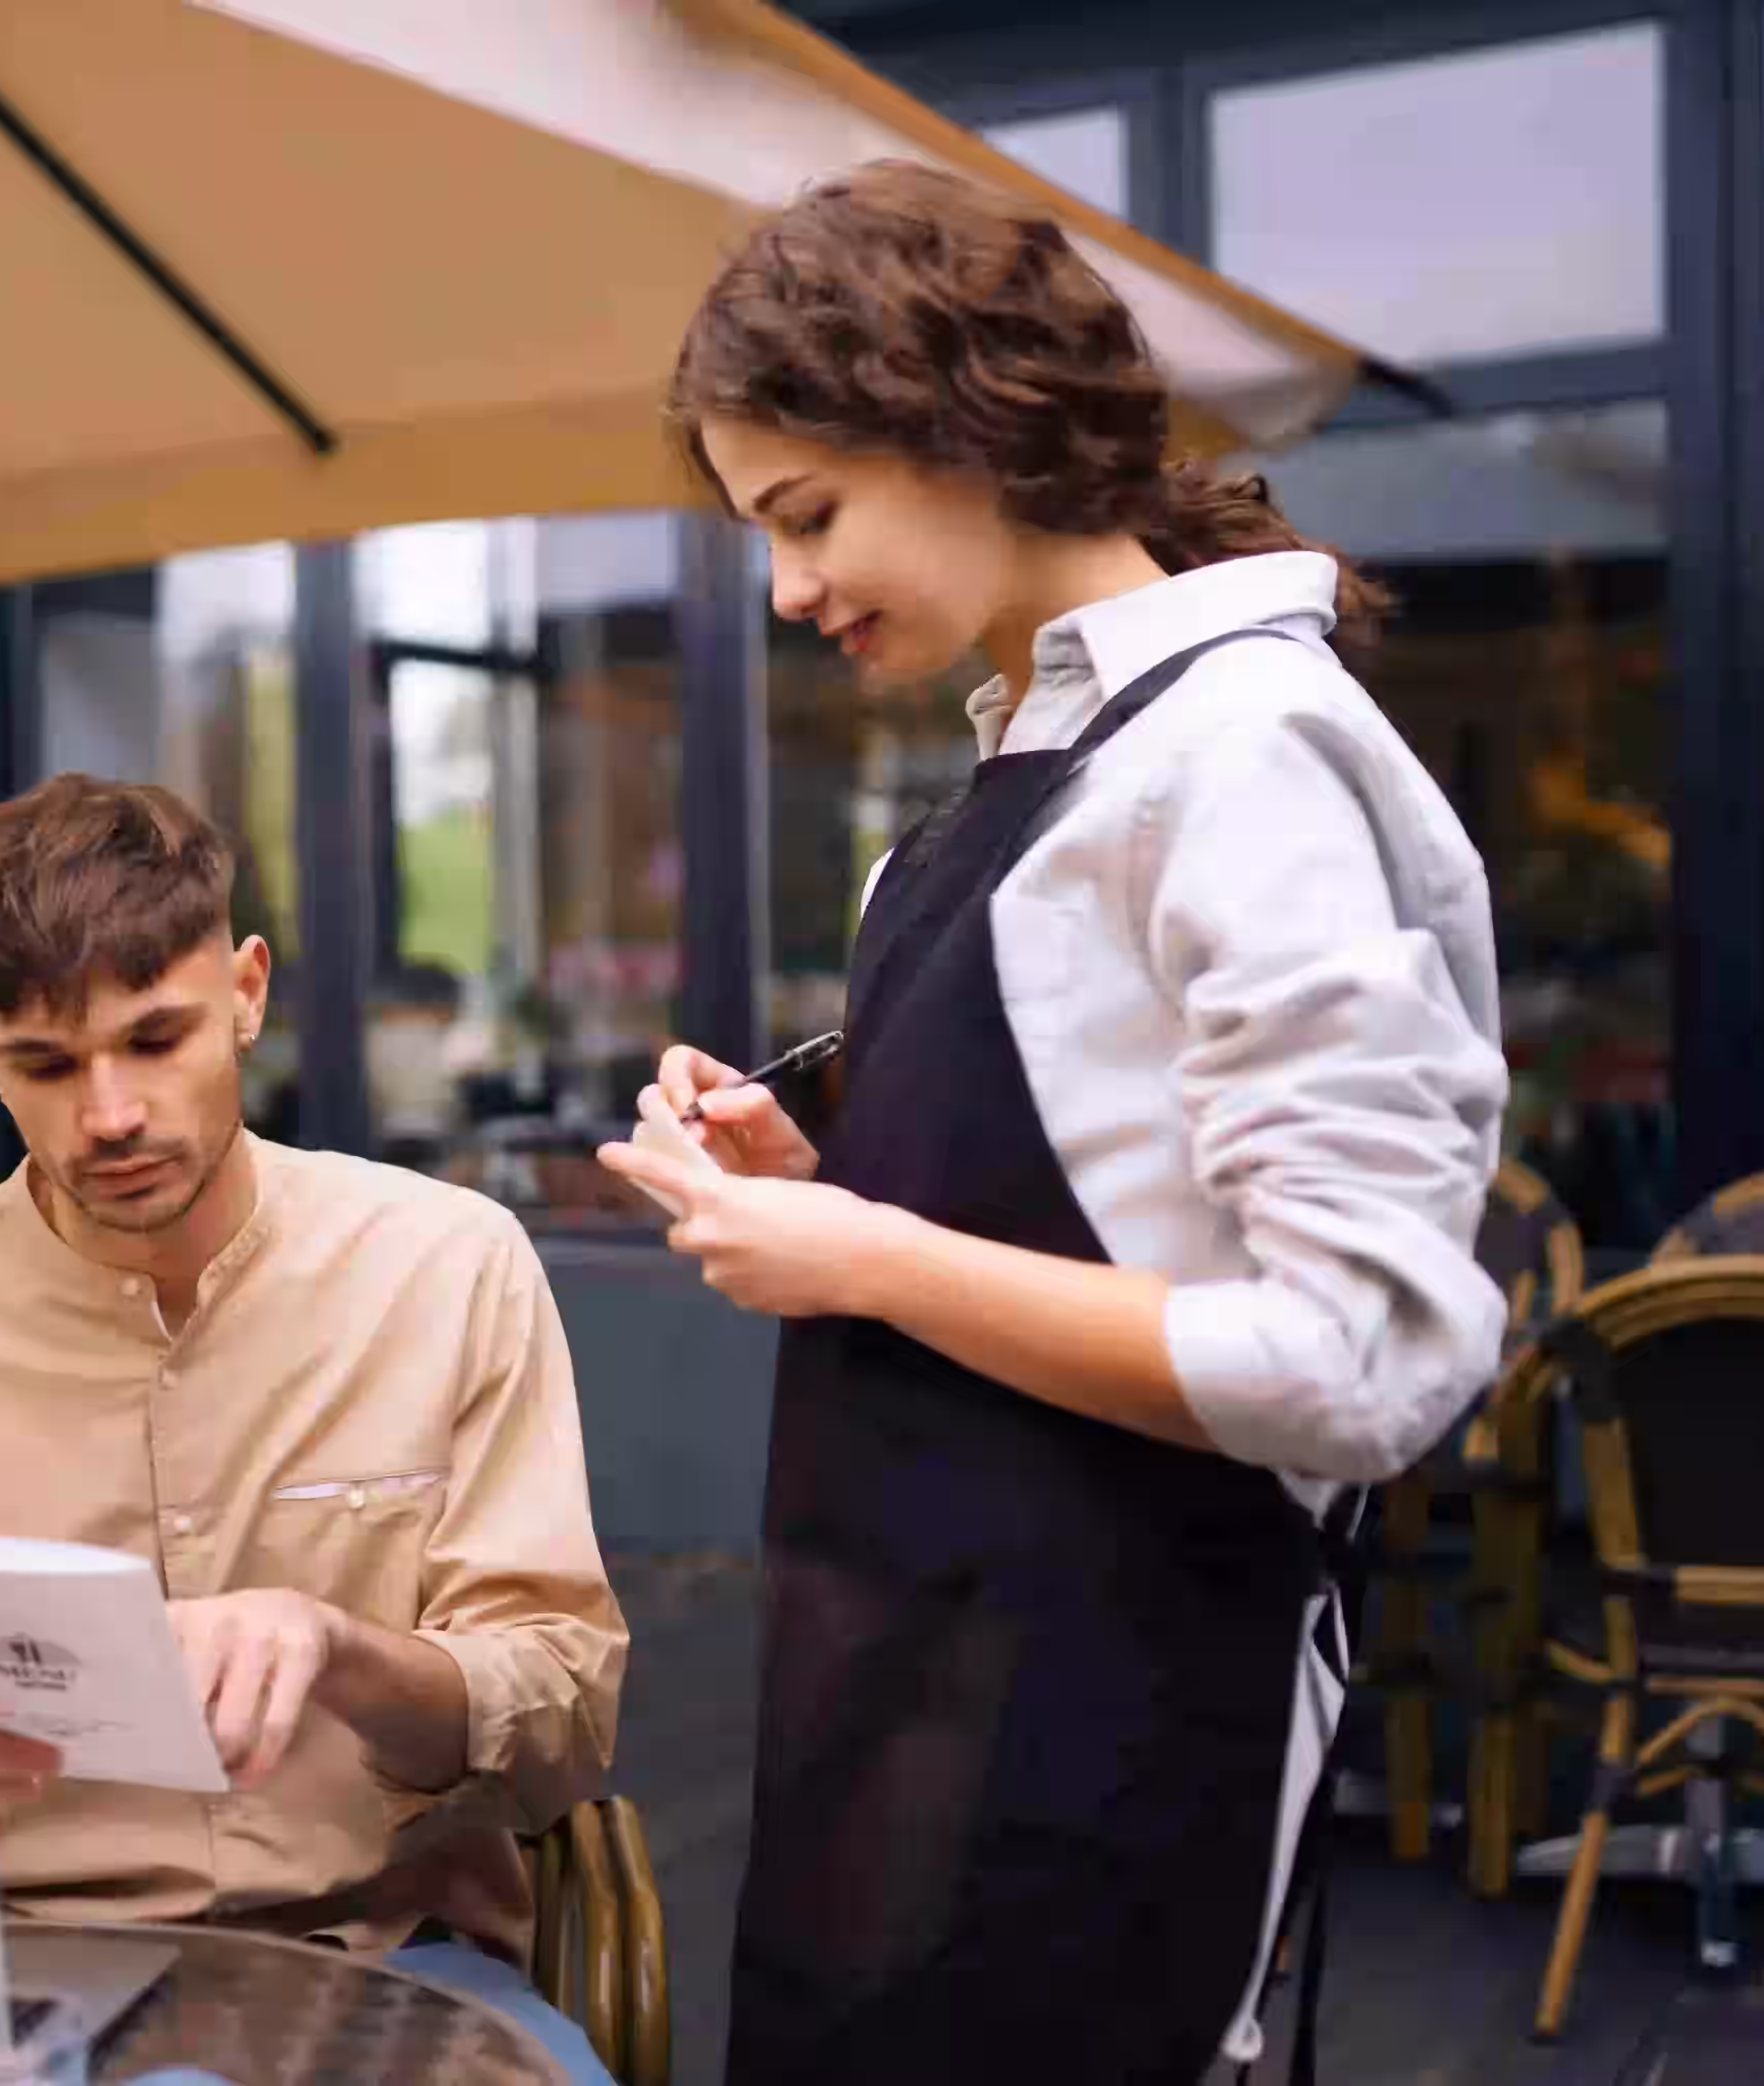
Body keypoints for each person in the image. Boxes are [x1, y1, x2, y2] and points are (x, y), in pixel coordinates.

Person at [600, 162, 1509, 2084]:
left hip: (1110, 1742)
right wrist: (827, 1190)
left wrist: (871, 1254)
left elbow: (1360, 1362)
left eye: (807, 515)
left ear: (966, 421)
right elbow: (1087, 1215)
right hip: (900, 1708)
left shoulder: (1242, 756)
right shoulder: (1025, 767)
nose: (787, 591)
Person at [0, 774, 627, 2085]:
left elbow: (565, 1719)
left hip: (388, 1960)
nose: (109, 1115)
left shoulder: (448, 1267)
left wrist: (340, 1649)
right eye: (45, 1064)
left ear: (248, 992)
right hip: (5, 1988)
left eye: (156, 1039)